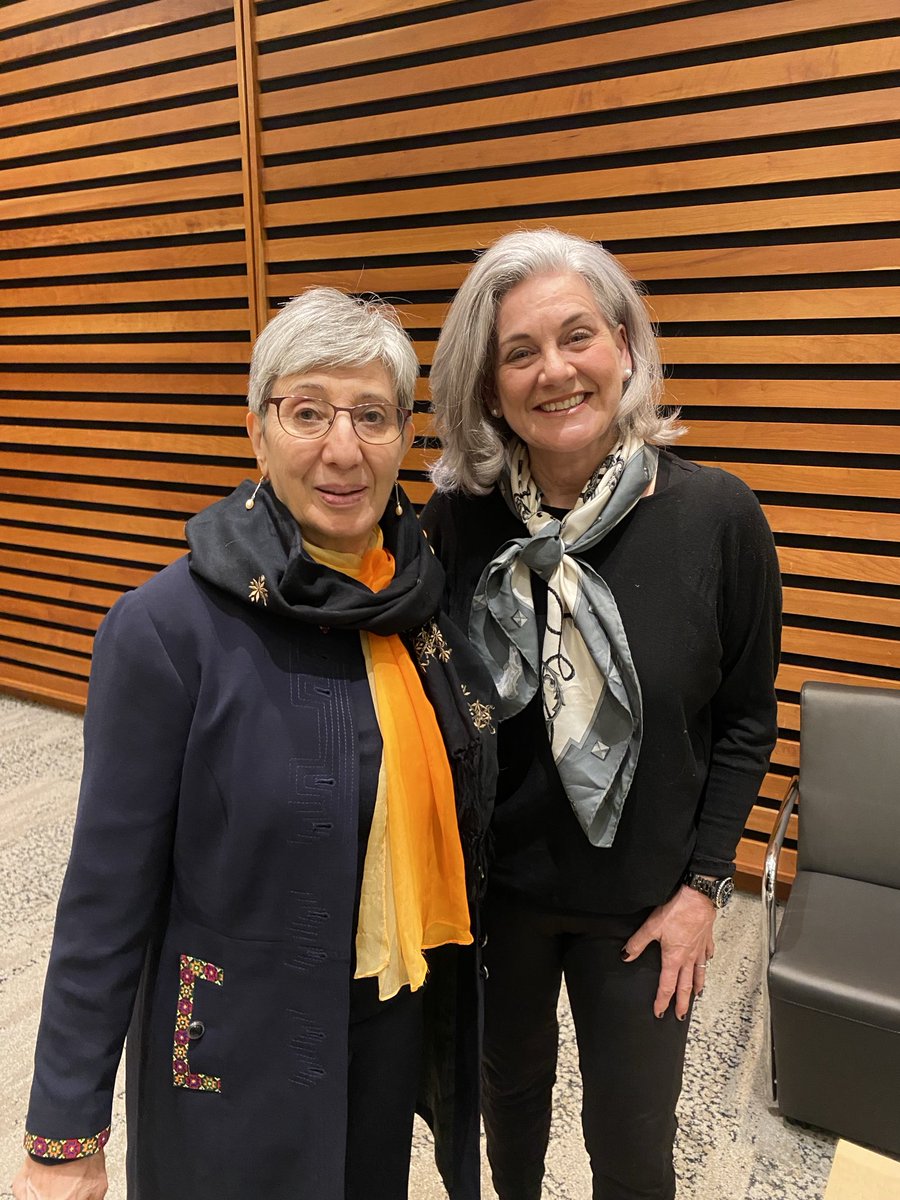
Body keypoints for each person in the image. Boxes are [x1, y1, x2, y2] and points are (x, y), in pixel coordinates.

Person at [13, 288, 497, 1200]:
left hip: (386, 1015)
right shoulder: (165, 631)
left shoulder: (421, 606)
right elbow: (103, 899)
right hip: (233, 1046)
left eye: (373, 416)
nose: (343, 449)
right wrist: (62, 1130)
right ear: (258, 429)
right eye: (308, 411)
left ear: (404, 437)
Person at [422, 228, 781, 1200]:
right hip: (497, 906)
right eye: (520, 352)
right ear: (490, 389)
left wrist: (705, 889)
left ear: (624, 344)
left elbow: (748, 721)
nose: (556, 371)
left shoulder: (719, 520)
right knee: (508, 1134)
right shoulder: (454, 525)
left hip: (644, 908)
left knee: (633, 1154)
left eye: (577, 336)